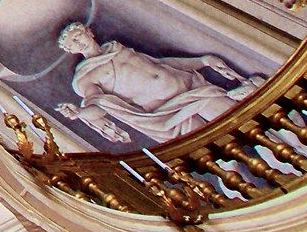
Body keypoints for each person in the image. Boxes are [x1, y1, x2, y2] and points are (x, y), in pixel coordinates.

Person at [54, 21, 262, 142]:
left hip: (192, 88)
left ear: (89, 31)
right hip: (170, 113)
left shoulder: (116, 47)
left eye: (78, 34)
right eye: (73, 42)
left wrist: (202, 61)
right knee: (222, 149)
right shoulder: (84, 77)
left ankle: (289, 159)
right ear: (71, 50)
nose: (78, 40)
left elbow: (161, 64)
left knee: (246, 124)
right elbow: (98, 105)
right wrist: (80, 113)